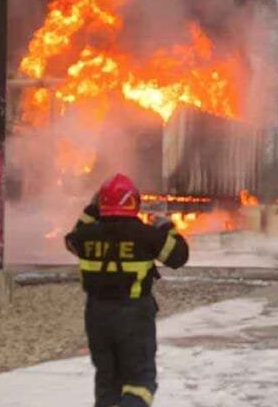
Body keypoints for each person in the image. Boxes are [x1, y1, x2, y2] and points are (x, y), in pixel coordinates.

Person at [65, 173, 190, 407]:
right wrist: (167, 227)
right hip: (134, 316)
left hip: (97, 315)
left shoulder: (84, 237)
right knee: (140, 381)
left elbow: (73, 238)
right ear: (134, 202)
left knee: (107, 382)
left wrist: (92, 210)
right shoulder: (146, 236)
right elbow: (179, 256)